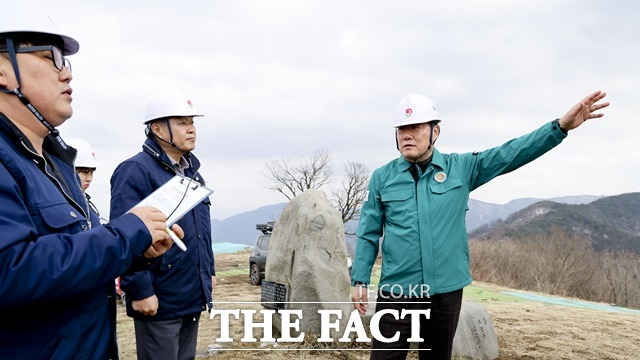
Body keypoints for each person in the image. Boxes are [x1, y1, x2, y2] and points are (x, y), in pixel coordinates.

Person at [350, 91, 609, 359]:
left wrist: (559, 128)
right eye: (401, 129)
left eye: (415, 127)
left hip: (445, 292)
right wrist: (359, 279)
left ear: (434, 131)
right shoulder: (382, 178)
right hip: (398, 292)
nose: (407, 135)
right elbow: (368, 232)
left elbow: (511, 153)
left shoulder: (461, 168)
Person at [0, 1, 179, 359]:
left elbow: (72, 261)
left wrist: (136, 253)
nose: (67, 74)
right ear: (2, 69)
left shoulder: (56, 160)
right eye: (52, 57)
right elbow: (9, 272)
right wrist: (126, 233)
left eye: (67, 62)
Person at [110, 88, 216, 360]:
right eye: (182, 122)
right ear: (157, 128)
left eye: (192, 122)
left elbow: (202, 230)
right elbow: (124, 236)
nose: (191, 129)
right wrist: (140, 289)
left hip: (191, 294)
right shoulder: (135, 171)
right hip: (159, 297)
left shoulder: (193, 173)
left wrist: (209, 273)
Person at [66, 138, 104, 220]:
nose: (89, 179)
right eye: (84, 172)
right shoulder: (65, 203)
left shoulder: (83, 200)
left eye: (91, 173)